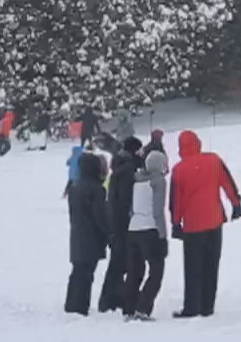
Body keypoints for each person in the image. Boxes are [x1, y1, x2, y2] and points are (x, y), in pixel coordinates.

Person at [168, 130, 241, 319]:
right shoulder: (213, 160)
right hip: (214, 221)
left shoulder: (179, 170)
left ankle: (192, 307)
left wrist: (176, 223)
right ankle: (208, 306)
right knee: (211, 264)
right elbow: (228, 182)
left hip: (193, 226)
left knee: (193, 267)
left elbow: (176, 200)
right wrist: (236, 204)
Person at [121, 147, 169, 320]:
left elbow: (130, 209)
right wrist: (162, 237)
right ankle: (143, 306)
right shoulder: (158, 181)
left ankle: (128, 308)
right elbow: (157, 211)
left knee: (134, 271)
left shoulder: (136, 179)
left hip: (133, 229)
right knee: (157, 270)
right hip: (150, 230)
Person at [98, 136, 143, 313]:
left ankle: (113, 297)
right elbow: (124, 201)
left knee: (119, 263)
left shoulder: (119, 167)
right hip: (122, 225)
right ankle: (109, 298)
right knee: (120, 263)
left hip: (115, 223)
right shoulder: (128, 170)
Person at [65, 151, 111, 315]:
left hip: (77, 233)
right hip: (91, 236)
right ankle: (81, 306)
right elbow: (100, 215)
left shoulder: (74, 187)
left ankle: (71, 303)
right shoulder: (97, 189)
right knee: (86, 274)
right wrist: (108, 233)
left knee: (77, 271)